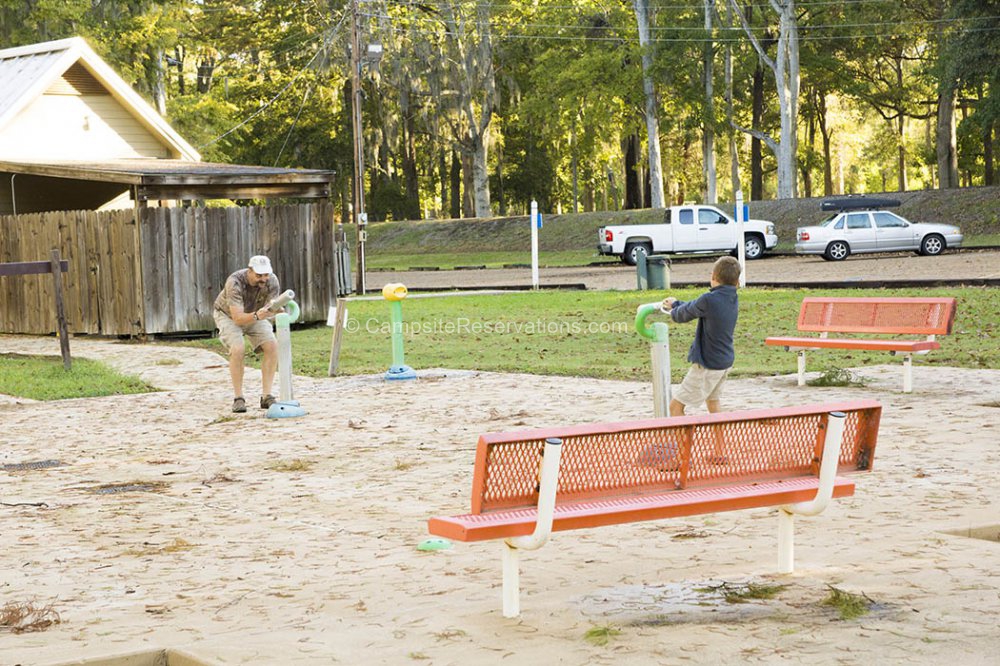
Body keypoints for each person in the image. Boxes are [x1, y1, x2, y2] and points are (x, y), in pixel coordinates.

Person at [662, 256, 741, 418]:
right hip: (724, 361)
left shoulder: (708, 300)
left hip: (707, 364)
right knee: (713, 402)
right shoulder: (731, 297)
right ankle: (720, 436)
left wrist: (673, 308)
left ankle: (684, 436)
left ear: (713, 276)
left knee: (675, 407)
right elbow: (694, 307)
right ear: (737, 282)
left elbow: (683, 315)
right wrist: (677, 304)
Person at [213, 255, 281, 413]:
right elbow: (237, 318)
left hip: (256, 313)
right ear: (250, 271)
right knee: (238, 348)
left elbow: (271, 307)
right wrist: (258, 315)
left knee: (272, 346)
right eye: (259, 275)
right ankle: (238, 398)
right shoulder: (235, 282)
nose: (263, 279)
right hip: (228, 316)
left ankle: (266, 396)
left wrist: (278, 309)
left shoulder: (272, 281)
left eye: (266, 274)